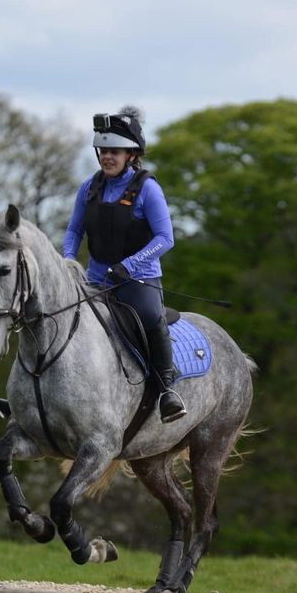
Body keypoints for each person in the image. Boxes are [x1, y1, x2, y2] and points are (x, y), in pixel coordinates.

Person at [62, 105, 186, 423]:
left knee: (150, 318)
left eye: (114, 151)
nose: (107, 157)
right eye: (103, 150)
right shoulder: (88, 188)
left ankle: (167, 391)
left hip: (139, 281)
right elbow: (75, 230)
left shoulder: (148, 189)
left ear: (131, 154)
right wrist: (67, 259)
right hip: (95, 279)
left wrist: (130, 266)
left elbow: (165, 238)